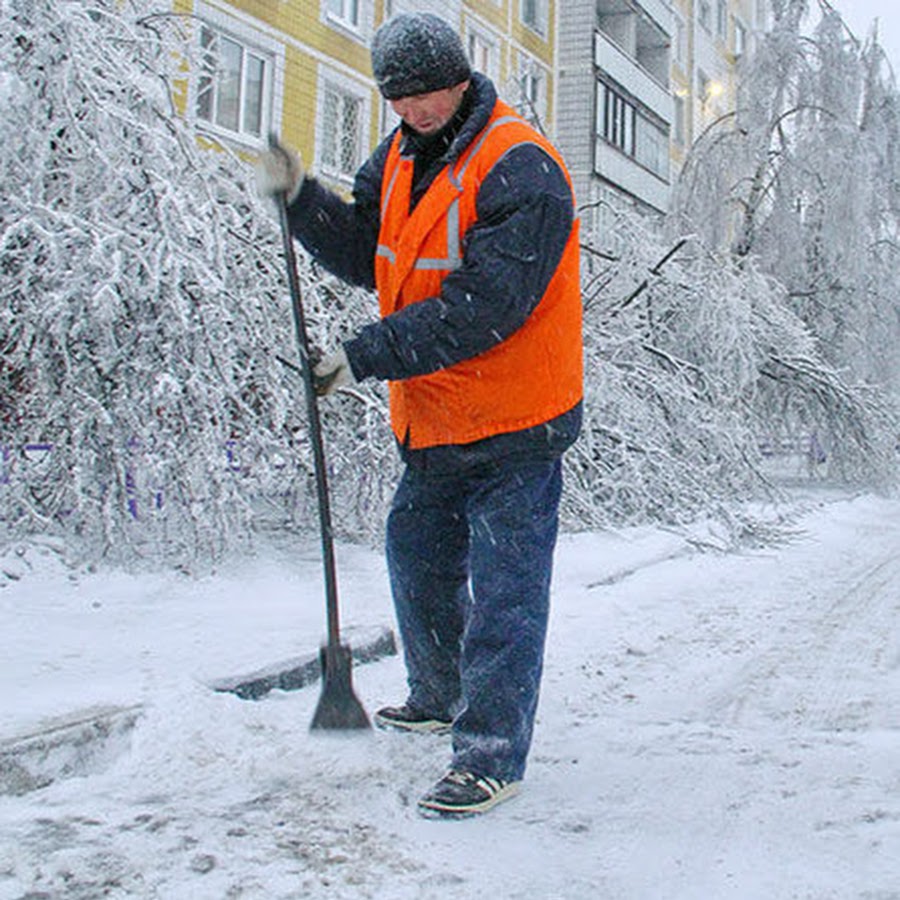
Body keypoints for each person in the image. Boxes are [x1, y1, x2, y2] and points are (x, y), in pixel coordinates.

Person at [257, 11, 583, 818]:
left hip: (516, 424)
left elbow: (485, 306)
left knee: (506, 594)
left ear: (461, 81)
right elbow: (371, 254)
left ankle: (489, 754)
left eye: (427, 96)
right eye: (399, 100)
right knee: (418, 562)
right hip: (435, 420)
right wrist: (301, 202)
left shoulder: (522, 168)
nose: (414, 113)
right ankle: (438, 695)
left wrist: (362, 355)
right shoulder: (398, 154)